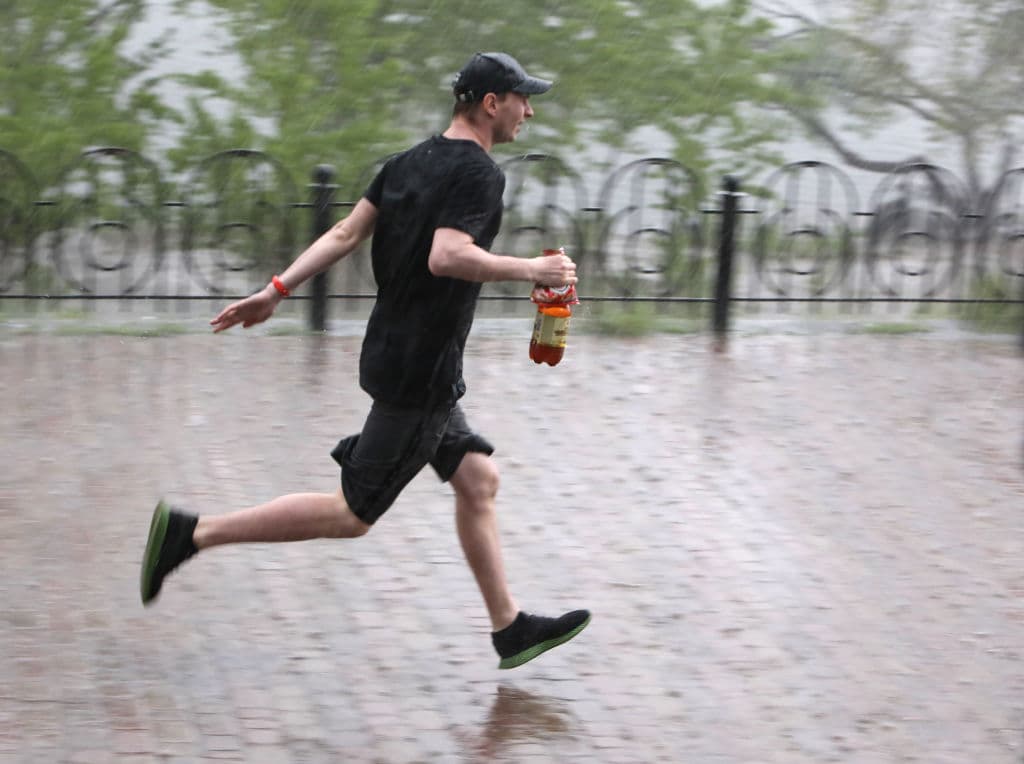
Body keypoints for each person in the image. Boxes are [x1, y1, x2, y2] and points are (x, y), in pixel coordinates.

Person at [140, 52, 591, 670]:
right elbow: (447, 256)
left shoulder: (407, 162)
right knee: (352, 513)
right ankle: (190, 534)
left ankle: (508, 627)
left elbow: (344, 234)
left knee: (477, 479)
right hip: (420, 373)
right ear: (491, 103)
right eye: (522, 99)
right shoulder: (481, 174)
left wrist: (274, 291)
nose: (529, 110)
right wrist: (532, 270)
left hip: (397, 351)